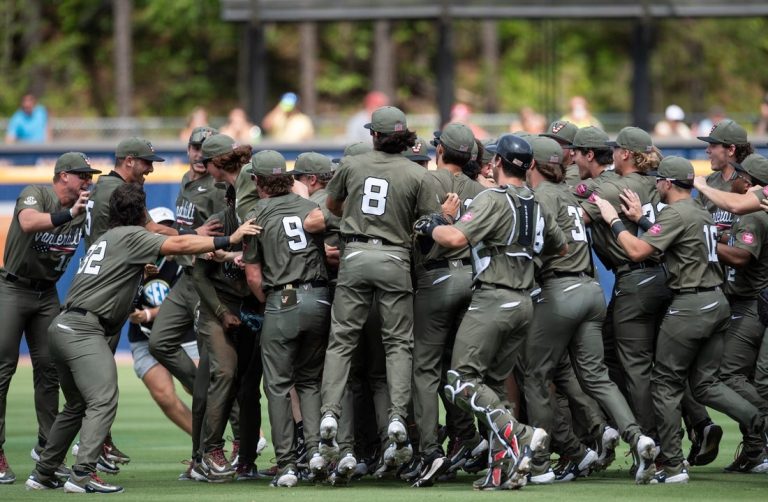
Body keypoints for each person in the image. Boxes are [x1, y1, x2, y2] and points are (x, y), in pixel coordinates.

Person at [24, 183, 259, 493]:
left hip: (62, 326)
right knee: (103, 399)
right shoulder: (134, 236)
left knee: (76, 405)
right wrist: (229, 237)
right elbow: (181, 245)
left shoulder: (107, 237)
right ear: (141, 212)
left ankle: (43, 473)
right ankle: (82, 475)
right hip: (84, 330)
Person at [593, 156, 768, 484]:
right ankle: (758, 419)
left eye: (660, 180)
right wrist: (643, 221)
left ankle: (672, 466)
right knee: (705, 383)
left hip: (690, 306)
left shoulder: (675, 212)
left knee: (664, 383)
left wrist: (614, 219)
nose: (656, 184)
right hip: (717, 301)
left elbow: (636, 252)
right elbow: (678, 243)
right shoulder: (700, 211)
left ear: (668, 184)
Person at [420, 134, 567, 490]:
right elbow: (560, 249)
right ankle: (502, 468)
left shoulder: (492, 198)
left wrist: (435, 225)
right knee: (496, 388)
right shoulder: (538, 203)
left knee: (460, 382)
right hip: (524, 303)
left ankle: (521, 433)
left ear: (496, 162)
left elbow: (455, 239)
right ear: (529, 166)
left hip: (493, 299)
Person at [318, 105, 446, 482]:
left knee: (341, 341)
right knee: (398, 344)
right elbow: (428, 224)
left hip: (355, 253)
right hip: (394, 257)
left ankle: (329, 413)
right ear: (404, 136)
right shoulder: (415, 172)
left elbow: (332, 206)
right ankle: (396, 420)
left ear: (373, 134)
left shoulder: (352, 164)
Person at [523, 136, 656, 484]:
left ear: (531, 165)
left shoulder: (540, 197)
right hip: (591, 289)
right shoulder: (570, 194)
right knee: (595, 376)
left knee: (536, 374)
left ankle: (538, 465)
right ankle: (635, 436)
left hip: (560, 289)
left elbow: (548, 246)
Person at [0, 152, 99, 485]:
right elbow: (28, 222)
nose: (88, 180)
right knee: (3, 369)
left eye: (90, 175)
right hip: (12, 288)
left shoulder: (84, 210)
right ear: (63, 176)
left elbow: (102, 242)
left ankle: (47, 449)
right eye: (82, 174)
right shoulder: (37, 193)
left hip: (47, 295)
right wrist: (69, 213)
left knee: (50, 371)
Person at [242, 150, 329, 487]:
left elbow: (252, 277)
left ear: (257, 180)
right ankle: (316, 451)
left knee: (278, 386)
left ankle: (288, 464)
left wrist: (272, 301)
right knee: (310, 381)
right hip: (320, 297)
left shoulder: (256, 214)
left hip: (284, 298)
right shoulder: (311, 208)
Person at [411, 123, 485, 488]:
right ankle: (467, 438)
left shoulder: (426, 181)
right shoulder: (480, 188)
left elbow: (411, 235)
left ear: (439, 150)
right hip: (473, 279)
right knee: (459, 368)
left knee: (424, 370)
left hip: (436, 277)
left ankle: (429, 452)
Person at [713, 154, 768, 473]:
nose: (732, 177)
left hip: (750, 303)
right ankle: (755, 448)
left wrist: (706, 237)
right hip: (746, 302)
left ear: (747, 182)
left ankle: (760, 436)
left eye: (738, 174)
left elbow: (741, 256)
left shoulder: (753, 214)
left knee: (730, 374)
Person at [127, 207, 199, 435]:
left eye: (169, 228)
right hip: (144, 336)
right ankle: (205, 445)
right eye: (159, 230)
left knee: (197, 385)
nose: (165, 235)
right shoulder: (134, 262)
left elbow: (182, 305)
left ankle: (245, 438)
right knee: (164, 396)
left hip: (183, 333)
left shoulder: (184, 262)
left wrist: (147, 314)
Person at [84, 136, 175, 250]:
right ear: (129, 161)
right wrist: (190, 234)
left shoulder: (102, 185)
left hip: (95, 262)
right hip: (112, 263)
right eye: (147, 162)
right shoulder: (121, 191)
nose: (151, 169)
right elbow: (153, 229)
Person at [696, 119, 753, 237]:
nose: (708, 150)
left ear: (731, 150)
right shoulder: (707, 181)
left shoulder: (751, 182)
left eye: (713, 145)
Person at [540, 120, 579, 187]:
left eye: (557, 143)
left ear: (573, 149)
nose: (552, 146)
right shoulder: (558, 168)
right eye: (550, 141)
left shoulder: (576, 174)